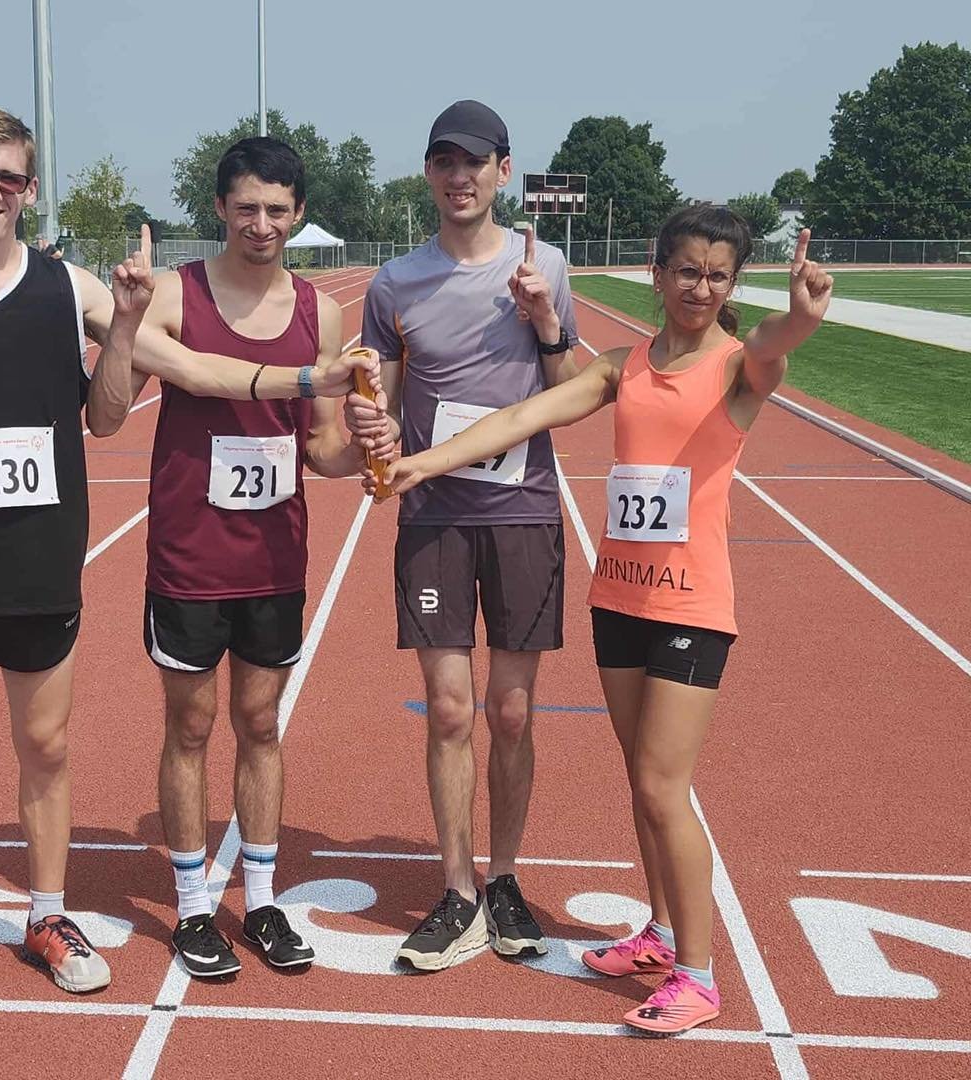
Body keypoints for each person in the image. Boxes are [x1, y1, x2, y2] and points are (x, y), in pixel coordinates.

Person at [0, 109, 376, 1014]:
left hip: (41, 562)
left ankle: (48, 917)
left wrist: (128, 323)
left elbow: (123, 404)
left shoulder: (69, 288)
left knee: (48, 747)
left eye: (9, 179)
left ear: (29, 188)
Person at [369, 207, 833, 1031]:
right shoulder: (623, 366)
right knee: (640, 782)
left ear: (732, 285)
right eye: (685, 270)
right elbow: (523, 418)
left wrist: (801, 313)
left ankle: (699, 973)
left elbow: (773, 346)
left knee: (663, 788)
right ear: (657, 274)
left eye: (716, 275)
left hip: (693, 604)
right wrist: (422, 463)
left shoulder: (736, 368)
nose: (699, 286)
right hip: (621, 596)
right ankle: (657, 932)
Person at [89, 136, 381, 979]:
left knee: (260, 724)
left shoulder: (319, 313)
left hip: (275, 556)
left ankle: (260, 902)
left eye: (278, 210)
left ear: (297, 214)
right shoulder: (176, 297)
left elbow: (319, 450)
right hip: (190, 555)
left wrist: (362, 444)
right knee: (190, 725)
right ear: (220, 208)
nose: (262, 223)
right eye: (247, 207)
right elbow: (121, 407)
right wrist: (128, 328)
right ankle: (188, 908)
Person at [344, 100, 580, 971]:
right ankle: (456, 887)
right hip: (435, 517)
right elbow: (380, 404)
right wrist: (372, 432)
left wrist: (544, 322)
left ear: (504, 172)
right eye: (444, 161)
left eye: (475, 162)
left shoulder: (544, 265)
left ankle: (506, 876)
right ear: (430, 173)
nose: (459, 176)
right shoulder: (395, 284)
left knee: (511, 712)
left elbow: (577, 389)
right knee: (450, 708)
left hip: (523, 512)